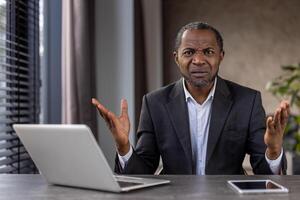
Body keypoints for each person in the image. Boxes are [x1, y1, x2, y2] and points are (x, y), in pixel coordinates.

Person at [92, 22, 290, 175]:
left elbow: (265, 175)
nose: (198, 60)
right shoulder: (155, 103)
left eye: (208, 52)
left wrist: (273, 150)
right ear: (176, 57)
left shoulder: (247, 101)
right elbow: (143, 171)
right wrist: (124, 146)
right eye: (189, 52)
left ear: (221, 56)